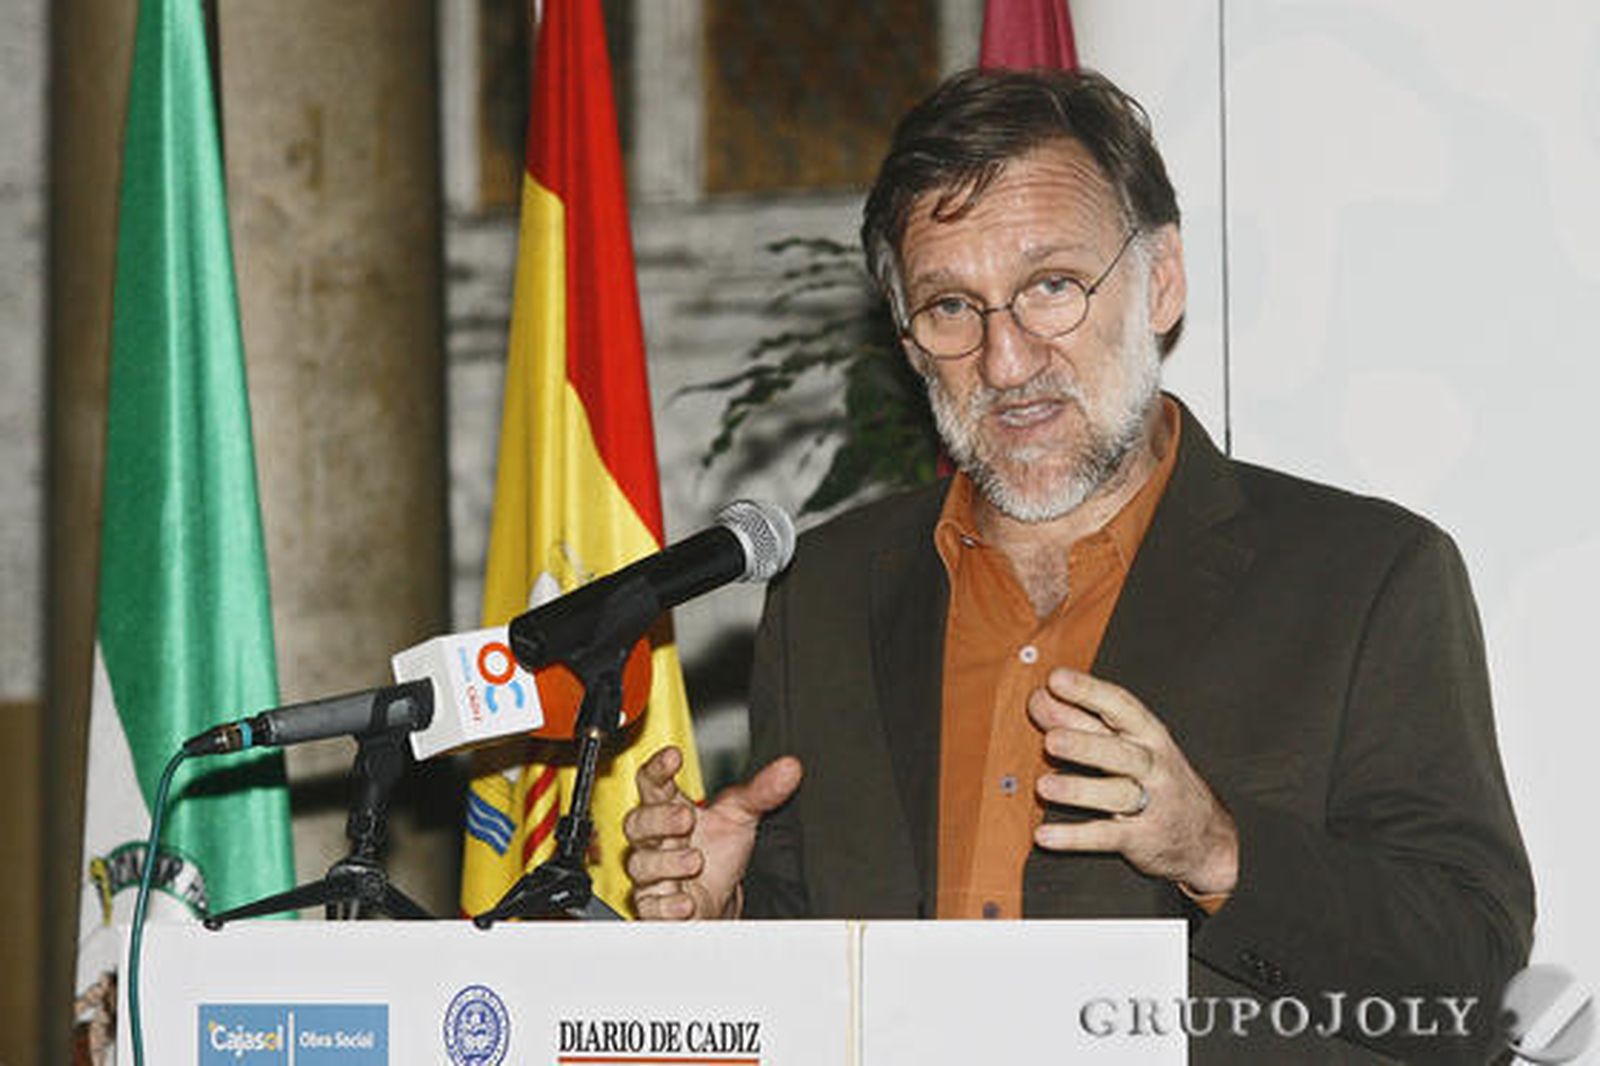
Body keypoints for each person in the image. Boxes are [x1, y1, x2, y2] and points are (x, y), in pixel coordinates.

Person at [623, 68, 1533, 1064]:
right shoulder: (831, 590)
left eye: (1050, 287)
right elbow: (824, 967)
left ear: (1162, 281)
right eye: (951, 307)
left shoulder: (1362, 576)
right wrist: (728, 923)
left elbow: (1468, 973)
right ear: (907, 337)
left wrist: (1216, 849)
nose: (1005, 360)